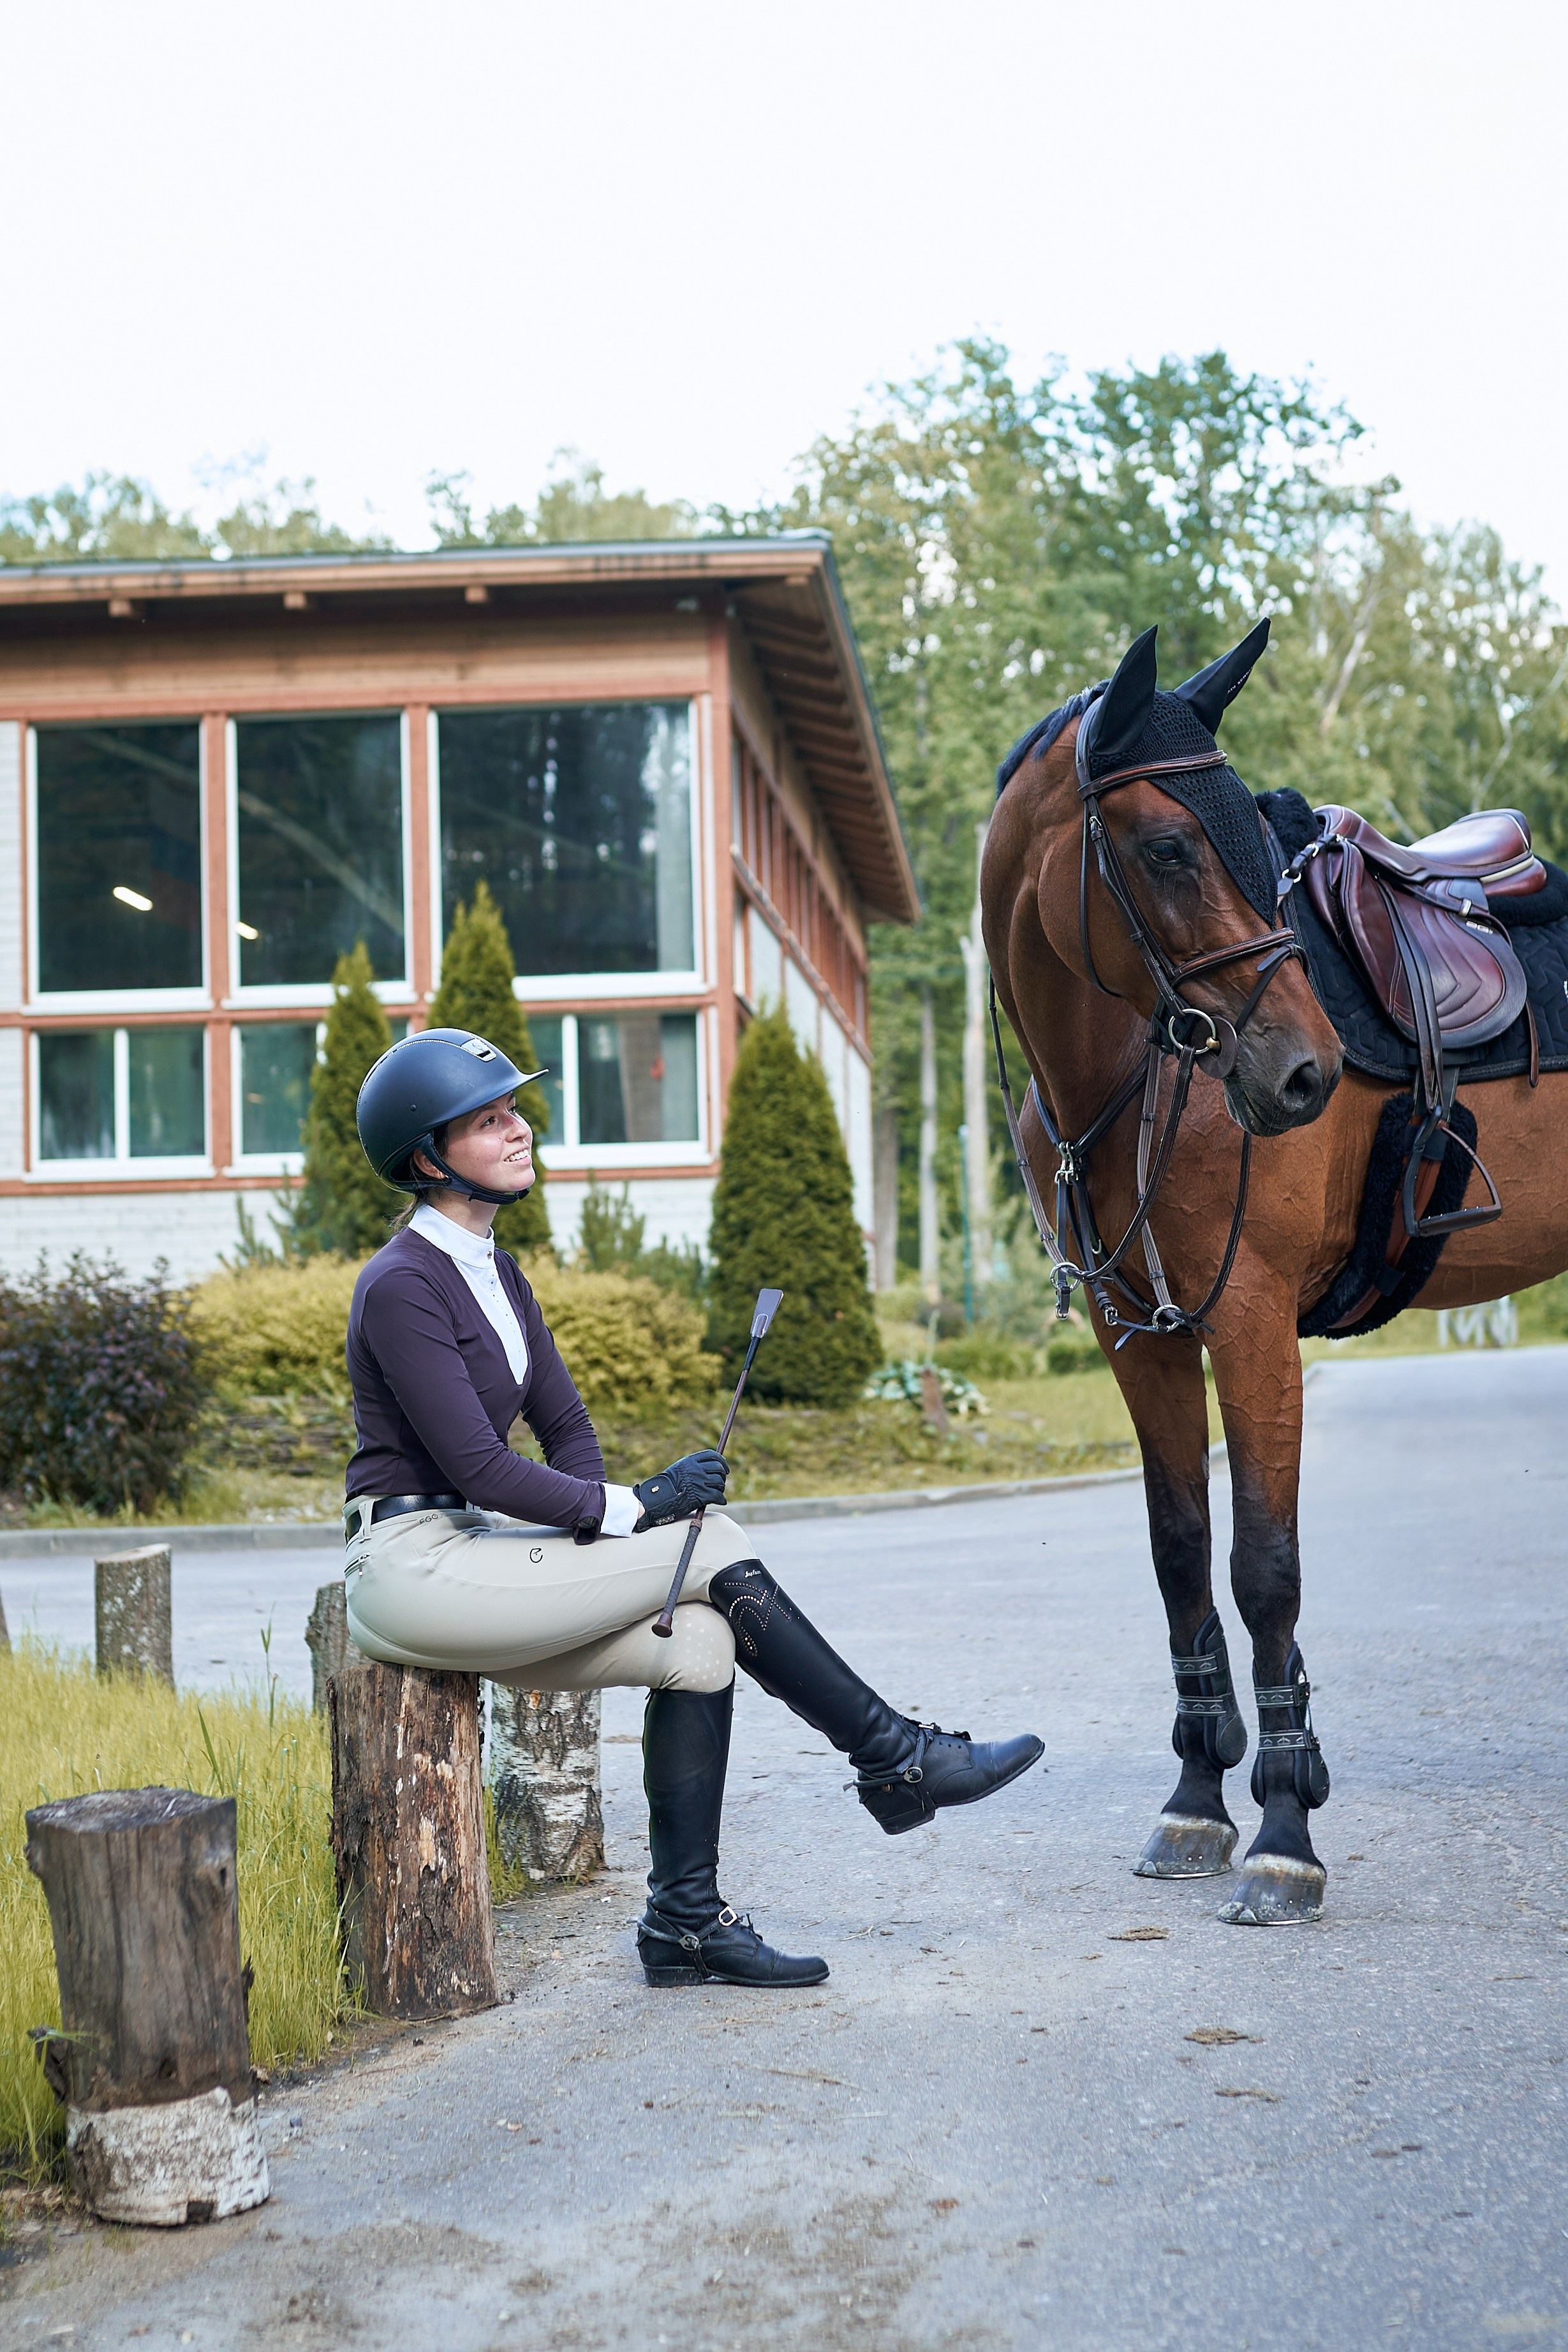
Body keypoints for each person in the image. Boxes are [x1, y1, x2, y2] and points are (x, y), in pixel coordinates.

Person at [343, 1026, 1044, 1989]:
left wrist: (602, 1521)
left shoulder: (499, 1273)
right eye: (488, 1120)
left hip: (477, 1553)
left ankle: (682, 1925)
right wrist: (638, 1508)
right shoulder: (400, 1285)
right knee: (709, 1536)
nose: (518, 1130)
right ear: (427, 1158)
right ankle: (894, 1758)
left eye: (514, 1111)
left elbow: (565, 1425)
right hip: (411, 1568)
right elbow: (478, 1466)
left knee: (701, 1649)